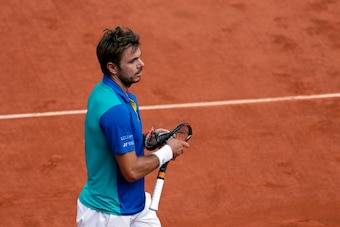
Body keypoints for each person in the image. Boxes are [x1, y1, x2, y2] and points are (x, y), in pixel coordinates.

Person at [76, 26, 190, 227]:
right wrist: (168, 151)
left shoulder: (111, 93)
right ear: (112, 67)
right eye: (132, 61)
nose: (141, 64)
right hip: (108, 214)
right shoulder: (115, 110)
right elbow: (131, 171)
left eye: (139, 57)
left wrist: (146, 140)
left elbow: (113, 140)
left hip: (135, 205)